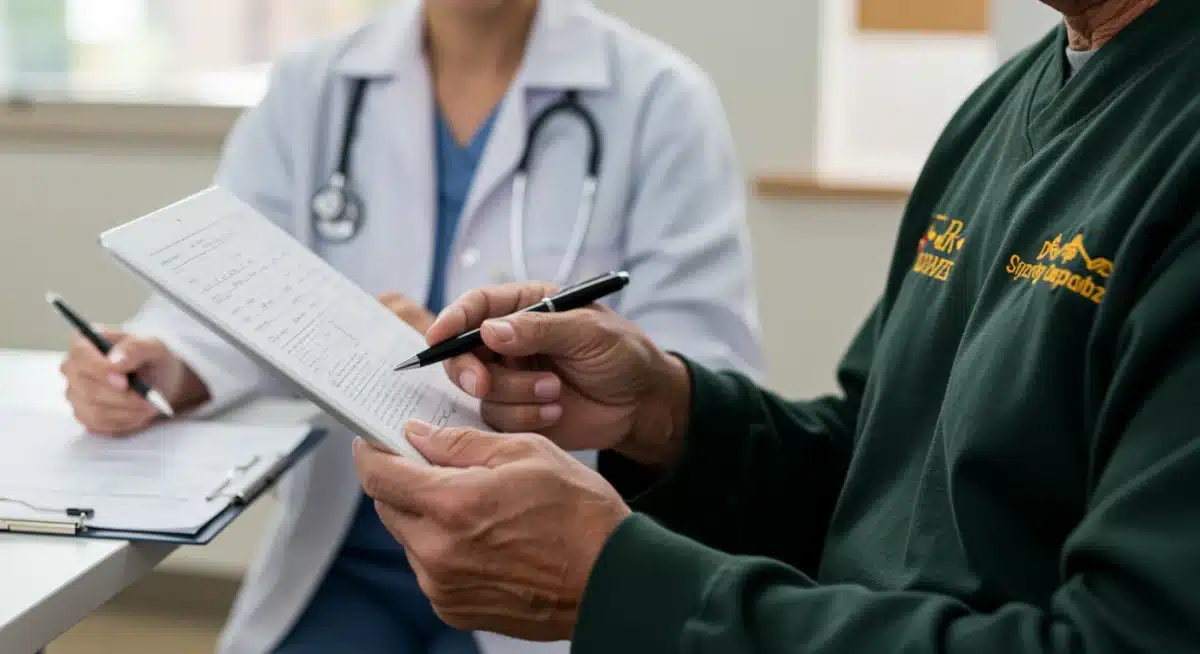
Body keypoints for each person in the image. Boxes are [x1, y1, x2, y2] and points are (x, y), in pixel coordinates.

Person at [353, 0, 1200, 651]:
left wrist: (617, 581)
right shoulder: (1007, 105)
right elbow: (876, 469)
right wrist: (666, 415)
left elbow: (1121, 637)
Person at [55, 0, 763, 652]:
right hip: (348, 554)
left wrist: (526, 372)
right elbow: (233, 287)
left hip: (535, 569)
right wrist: (163, 363)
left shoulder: (660, 101)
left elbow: (699, 377)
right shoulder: (318, 84)